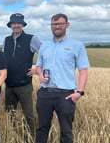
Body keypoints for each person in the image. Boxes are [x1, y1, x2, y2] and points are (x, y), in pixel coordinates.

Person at [35, 13, 90, 143]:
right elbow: (38, 66)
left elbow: (83, 71)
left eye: (60, 23)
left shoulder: (77, 45)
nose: (57, 26)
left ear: (67, 25)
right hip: (45, 93)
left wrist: (79, 92)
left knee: (66, 131)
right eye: (54, 24)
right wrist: (40, 74)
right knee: (42, 129)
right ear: (51, 26)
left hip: (66, 95)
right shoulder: (45, 45)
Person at [2, 13, 41, 137]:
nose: (16, 25)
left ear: (23, 24)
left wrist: (37, 70)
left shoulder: (32, 39)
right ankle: (13, 136)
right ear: (10, 25)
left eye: (19, 23)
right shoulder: (6, 40)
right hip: (9, 84)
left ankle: (30, 137)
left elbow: (46, 53)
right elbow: (3, 59)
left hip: (24, 85)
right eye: (14, 23)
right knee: (9, 113)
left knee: (28, 114)